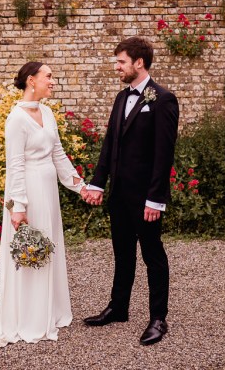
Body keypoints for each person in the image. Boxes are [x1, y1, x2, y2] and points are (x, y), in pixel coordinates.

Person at [0, 62, 88, 362]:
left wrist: (81, 186)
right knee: (30, 253)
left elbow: (59, 155)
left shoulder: (48, 113)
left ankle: (51, 311)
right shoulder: (16, 119)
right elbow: (16, 166)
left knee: (50, 247)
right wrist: (18, 207)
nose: (53, 81)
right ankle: (29, 319)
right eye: (48, 76)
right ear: (31, 80)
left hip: (49, 192)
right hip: (29, 194)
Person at [83, 37, 179, 346]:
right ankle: (118, 307)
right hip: (119, 194)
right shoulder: (120, 98)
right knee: (122, 253)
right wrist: (98, 183)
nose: (116, 67)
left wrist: (156, 199)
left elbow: (164, 154)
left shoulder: (162, 99)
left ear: (139, 63)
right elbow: (110, 145)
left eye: (121, 62)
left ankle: (158, 319)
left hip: (145, 198)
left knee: (153, 255)